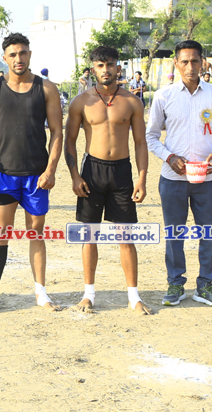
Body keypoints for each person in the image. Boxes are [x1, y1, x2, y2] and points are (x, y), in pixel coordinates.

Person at [0, 33, 64, 313]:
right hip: (4, 174)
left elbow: (57, 132)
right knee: (0, 233)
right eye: (12, 54)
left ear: (30, 54)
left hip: (37, 175)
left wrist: (50, 170)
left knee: (36, 233)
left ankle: (41, 292)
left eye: (23, 53)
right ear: (4, 58)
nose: (18, 58)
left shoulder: (46, 88)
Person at [146, 40, 212, 308]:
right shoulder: (164, 96)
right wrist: (169, 157)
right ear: (176, 63)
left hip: (208, 179)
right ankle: (175, 283)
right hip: (173, 179)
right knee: (175, 233)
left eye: (195, 61)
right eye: (184, 61)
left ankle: (206, 285)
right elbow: (151, 137)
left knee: (208, 232)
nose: (190, 67)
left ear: (203, 62)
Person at [64, 46, 150, 314]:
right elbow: (69, 141)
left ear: (118, 68)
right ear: (93, 69)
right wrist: (75, 176)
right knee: (90, 236)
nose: (105, 70)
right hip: (92, 171)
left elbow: (140, 143)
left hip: (122, 172)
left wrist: (142, 179)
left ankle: (134, 297)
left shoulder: (132, 102)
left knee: (126, 237)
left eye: (110, 64)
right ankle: (88, 294)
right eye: (100, 65)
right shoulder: (81, 102)